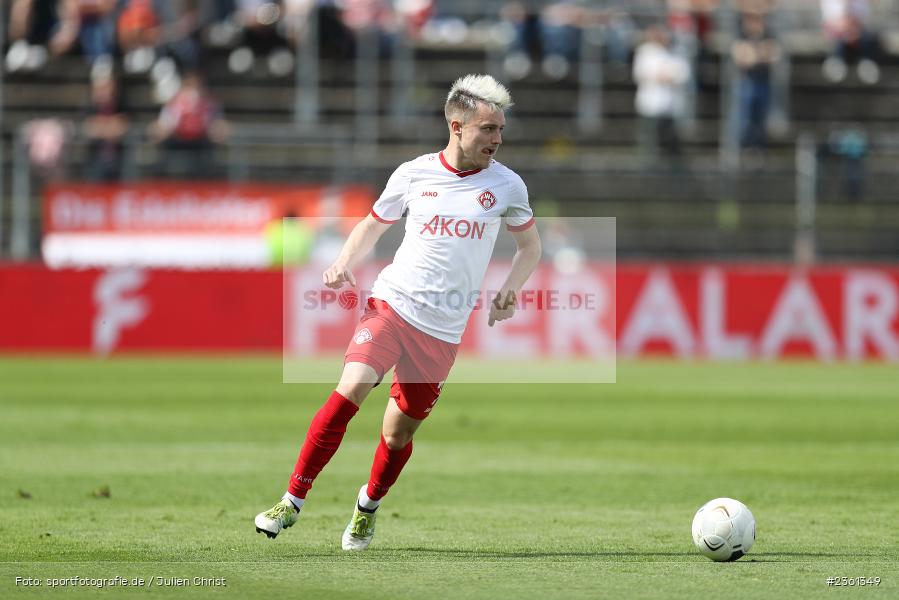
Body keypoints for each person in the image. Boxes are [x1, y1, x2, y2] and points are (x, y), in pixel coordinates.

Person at [254, 74, 542, 551]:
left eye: (500, 130)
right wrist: (344, 261)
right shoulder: (414, 173)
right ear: (457, 126)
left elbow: (530, 246)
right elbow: (373, 225)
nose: (497, 139)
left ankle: (366, 507)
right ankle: (292, 499)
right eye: (488, 129)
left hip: (444, 329)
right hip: (393, 303)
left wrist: (510, 290)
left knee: (396, 433)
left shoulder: (507, 185)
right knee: (351, 388)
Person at [633, 25, 689, 168]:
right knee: (649, 137)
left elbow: (682, 75)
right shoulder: (645, 51)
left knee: (670, 137)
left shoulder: (677, 51)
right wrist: (663, 75)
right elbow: (641, 73)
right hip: (650, 103)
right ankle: (648, 164)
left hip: (670, 105)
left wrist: (663, 75)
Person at [732, 11, 780, 151]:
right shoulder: (741, 38)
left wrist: (754, 55)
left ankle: (758, 146)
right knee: (745, 117)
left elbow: (773, 57)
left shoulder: (769, 37)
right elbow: (743, 59)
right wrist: (760, 54)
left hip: (763, 83)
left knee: (762, 118)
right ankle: (745, 145)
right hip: (747, 83)